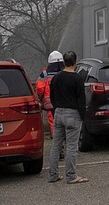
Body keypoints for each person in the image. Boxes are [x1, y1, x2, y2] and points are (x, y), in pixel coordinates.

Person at [48, 51, 88, 184]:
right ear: (75, 62)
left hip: (58, 113)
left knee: (56, 146)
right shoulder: (77, 79)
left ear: (64, 62)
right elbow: (81, 100)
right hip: (73, 114)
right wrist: (83, 117)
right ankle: (71, 176)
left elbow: (52, 96)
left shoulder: (56, 78)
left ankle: (53, 175)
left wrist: (57, 108)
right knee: (71, 146)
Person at [36, 51, 64, 138]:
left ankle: (57, 140)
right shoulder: (66, 72)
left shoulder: (45, 74)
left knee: (53, 123)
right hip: (65, 102)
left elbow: (40, 88)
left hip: (50, 104)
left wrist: (40, 98)